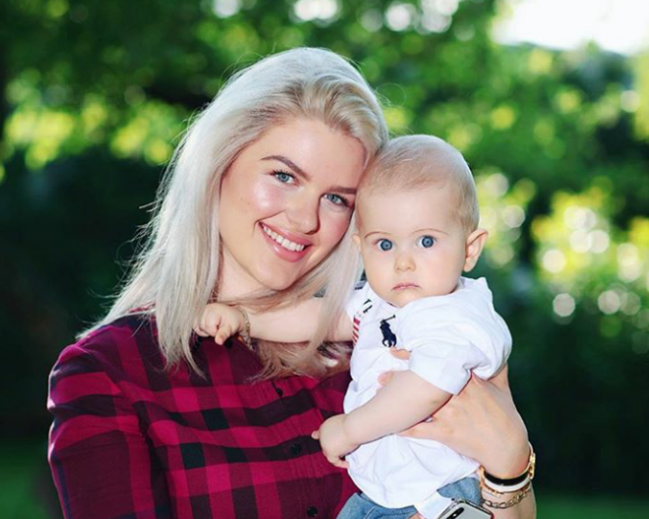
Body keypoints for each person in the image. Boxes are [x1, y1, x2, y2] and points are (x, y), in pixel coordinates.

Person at [47, 48, 536, 519]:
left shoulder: (375, 347)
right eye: (284, 176)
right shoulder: (110, 372)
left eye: (338, 199)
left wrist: (510, 464)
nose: (305, 219)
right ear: (219, 165)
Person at [198, 135, 531, 519]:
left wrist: (350, 430)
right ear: (361, 247)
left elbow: (425, 389)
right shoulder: (377, 301)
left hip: (443, 495)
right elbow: (320, 318)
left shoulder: (457, 318)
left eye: (426, 241)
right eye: (385, 245)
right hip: (381, 493)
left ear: (469, 250)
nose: (403, 262)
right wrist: (247, 319)